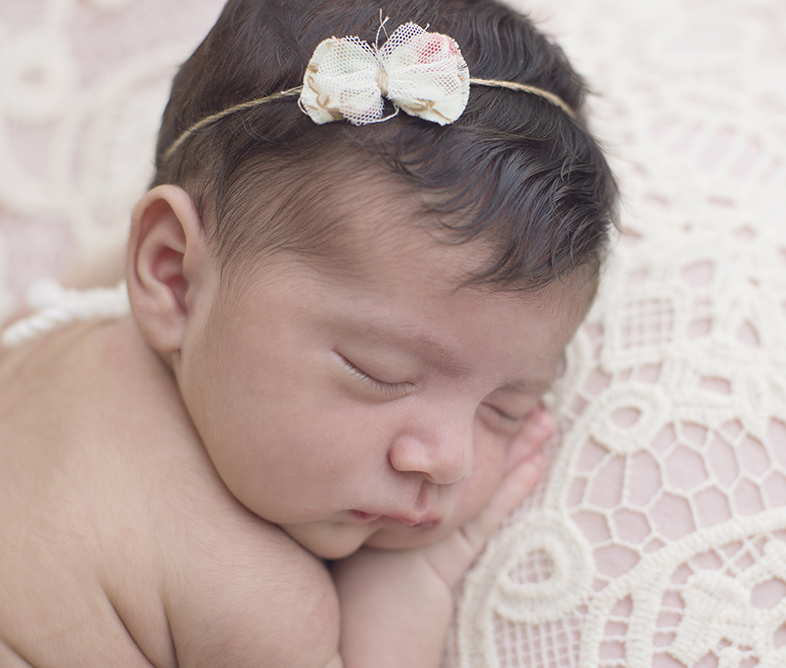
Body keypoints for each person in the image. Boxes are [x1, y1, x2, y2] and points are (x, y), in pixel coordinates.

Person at [0, 0, 617, 664]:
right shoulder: (258, 605)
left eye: (506, 410)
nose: (448, 460)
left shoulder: (52, 325)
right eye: (379, 372)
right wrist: (410, 587)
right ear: (174, 277)